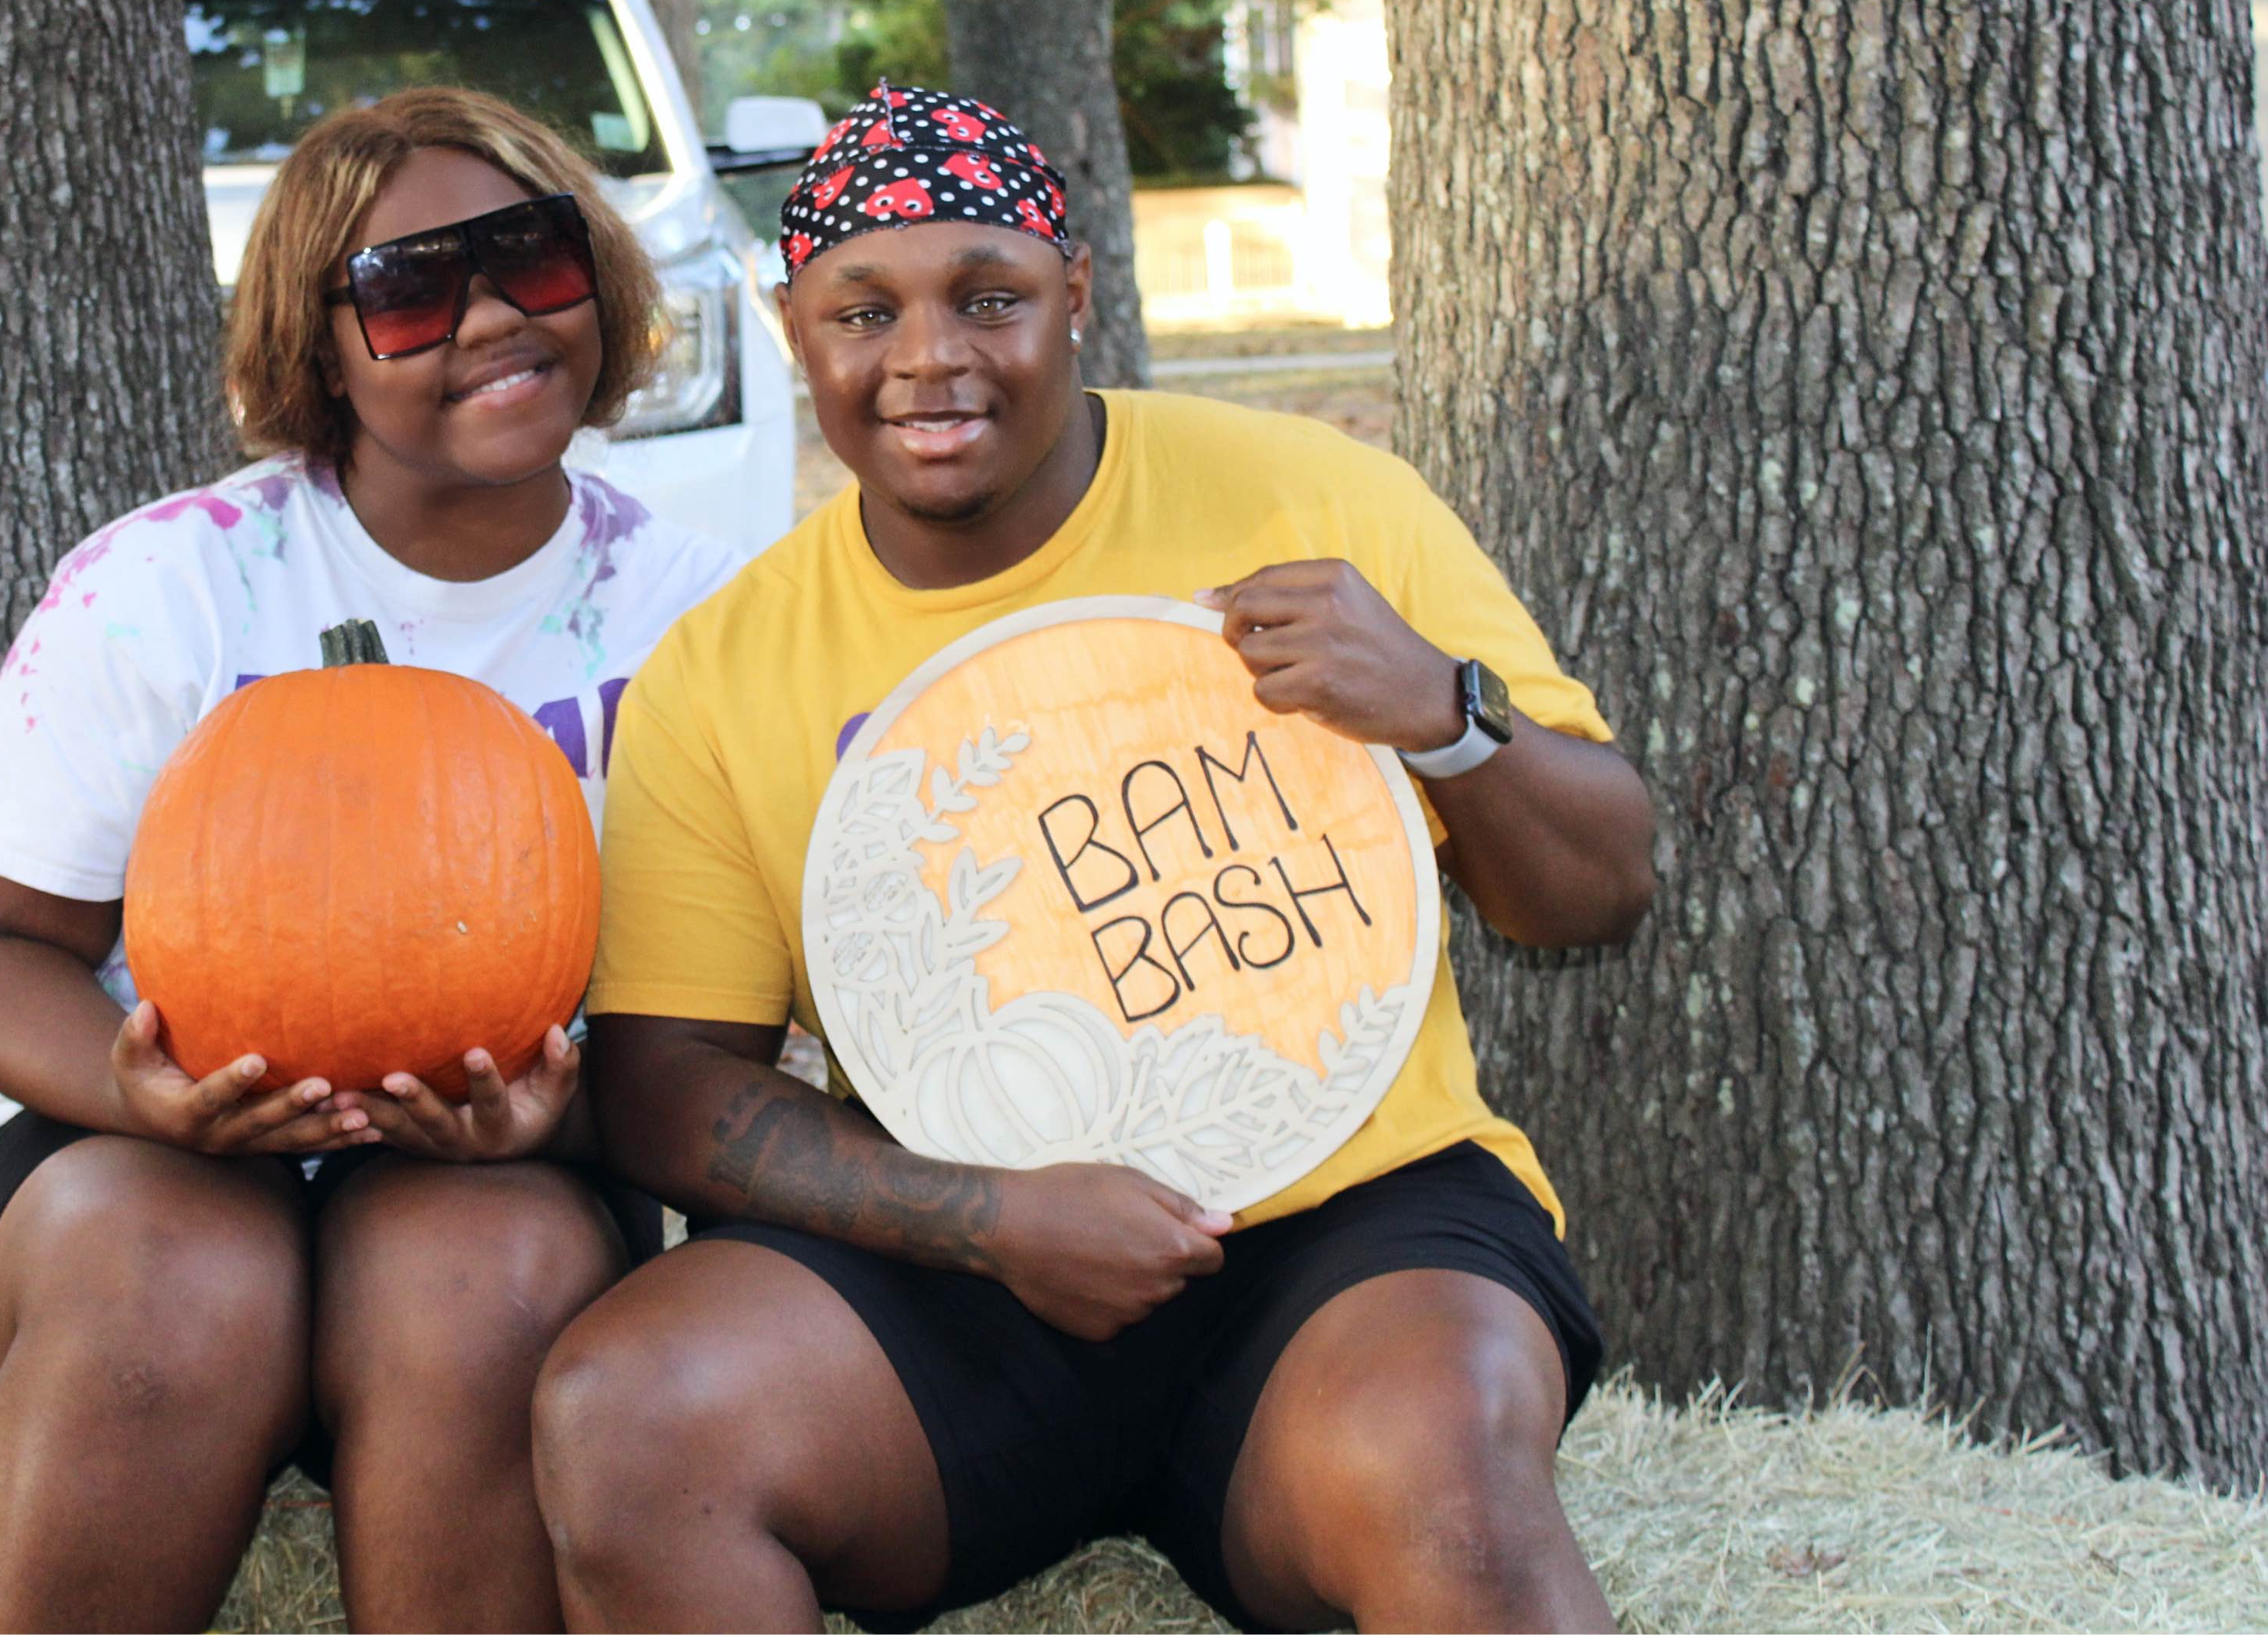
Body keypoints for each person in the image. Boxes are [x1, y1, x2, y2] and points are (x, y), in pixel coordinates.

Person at [537, 82, 1657, 1633]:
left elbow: (1596, 887)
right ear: (793, 329)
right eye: (864, 310)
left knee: (1441, 1476)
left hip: (1346, 1223)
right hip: (958, 1258)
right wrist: (982, 1216)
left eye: (986, 295)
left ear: (1073, 295)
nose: (928, 355)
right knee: (631, 1415)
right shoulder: (727, 669)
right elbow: (659, 1082)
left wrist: (1444, 719)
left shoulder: (1309, 495)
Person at [0, 87, 738, 1633]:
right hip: (139, 1158)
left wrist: (559, 1130)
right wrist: (133, 1084)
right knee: (173, 1275)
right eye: (411, 289)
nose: (489, 317)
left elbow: (727, 1012)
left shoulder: (699, 619)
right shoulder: (168, 586)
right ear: (317, 347)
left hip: (511, 1174)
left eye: (528, 259)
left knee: (478, 1273)